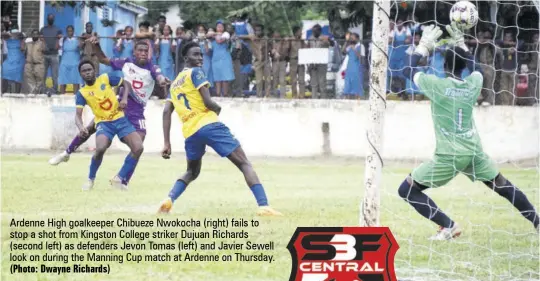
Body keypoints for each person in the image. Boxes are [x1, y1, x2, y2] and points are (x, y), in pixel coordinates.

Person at [398, 24, 539, 240]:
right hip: (474, 151)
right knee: (504, 187)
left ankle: (447, 225)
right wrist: (463, 45)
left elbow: (406, 70)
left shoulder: (436, 85)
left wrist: (423, 47)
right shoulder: (473, 84)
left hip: (450, 155)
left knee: (406, 190)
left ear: (444, 64)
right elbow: (478, 70)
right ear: (463, 66)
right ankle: (537, 222)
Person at [157, 41, 281, 216]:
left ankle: (169, 200)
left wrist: (166, 142)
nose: (200, 58)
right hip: (209, 124)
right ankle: (264, 206)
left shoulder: (175, 83)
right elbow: (208, 102)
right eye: (195, 55)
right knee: (244, 163)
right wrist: (217, 108)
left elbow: (166, 112)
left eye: (201, 54)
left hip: (190, 132)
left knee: (191, 172)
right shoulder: (196, 73)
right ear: (186, 58)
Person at [49, 40, 169, 187]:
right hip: (119, 105)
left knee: (138, 146)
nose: (143, 53)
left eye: (146, 51)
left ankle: (121, 179)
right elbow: (103, 59)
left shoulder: (153, 67)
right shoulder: (126, 62)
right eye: (140, 51)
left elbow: (159, 76)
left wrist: (162, 81)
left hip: (137, 111)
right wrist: (96, 46)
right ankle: (66, 153)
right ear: (134, 52)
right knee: (91, 127)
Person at [74, 60, 144, 191]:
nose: (88, 73)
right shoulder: (82, 93)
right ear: (81, 74)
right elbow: (77, 115)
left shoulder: (105, 78)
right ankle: (90, 179)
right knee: (100, 149)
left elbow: (126, 83)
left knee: (138, 147)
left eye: (89, 70)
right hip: (103, 123)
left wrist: (123, 98)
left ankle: (119, 178)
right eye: (84, 71)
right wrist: (81, 127)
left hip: (120, 119)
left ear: (94, 70)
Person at [208, 20, 235, 97]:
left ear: (224, 28)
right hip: (216, 59)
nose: (219, 28)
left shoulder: (226, 34)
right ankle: (218, 94)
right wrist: (213, 34)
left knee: (225, 78)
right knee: (217, 78)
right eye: (218, 26)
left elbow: (219, 41)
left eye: (221, 26)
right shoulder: (212, 36)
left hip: (225, 58)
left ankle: (225, 94)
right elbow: (207, 35)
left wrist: (215, 34)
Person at [58, 25, 82, 95]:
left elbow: (80, 48)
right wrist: (58, 38)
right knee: (62, 80)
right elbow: (58, 49)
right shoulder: (63, 39)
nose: (69, 32)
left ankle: (76, 96)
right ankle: (62, 96)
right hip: (64, 62)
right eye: (68, 31)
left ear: (73, 31)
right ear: (66, 32)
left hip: (75, 62)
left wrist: (81, 42)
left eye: (71, 31)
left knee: (76, 80)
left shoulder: (77, 39)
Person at [342, 32, 365, 99]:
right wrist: (346, 41)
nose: (351, 39)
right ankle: (348, 102)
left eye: (352, 38)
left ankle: (357, 102)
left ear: (357, 38)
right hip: (349, 69)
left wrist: (354, 49)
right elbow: (343, 51)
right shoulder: (349, 46)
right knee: (348, 87)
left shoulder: (361, 46)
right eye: (350, 38)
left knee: (356, 87)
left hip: (357, 69)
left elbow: (361, 57)